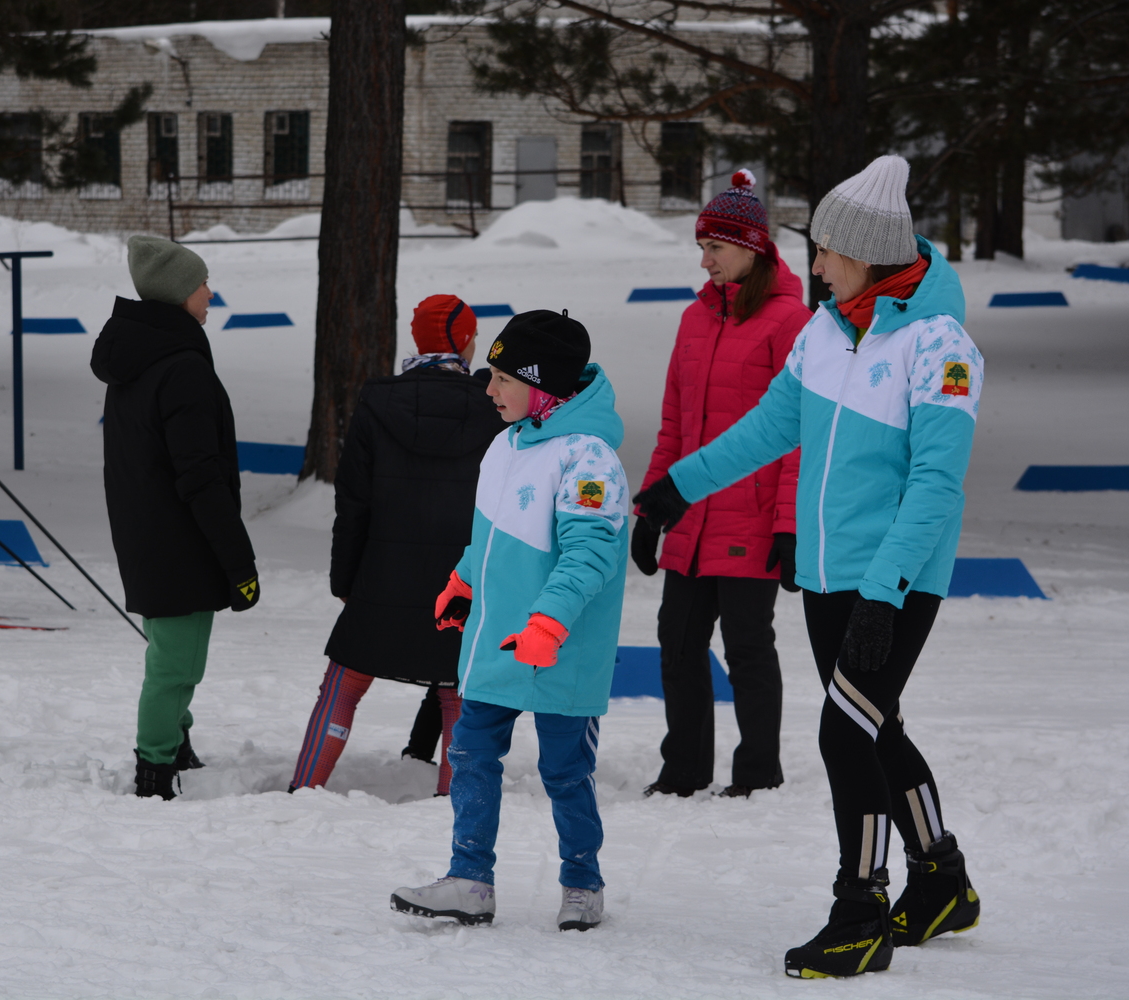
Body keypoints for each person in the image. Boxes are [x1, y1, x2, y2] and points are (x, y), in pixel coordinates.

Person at [634, 155, 983, 978]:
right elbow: (766, 432)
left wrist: (886, 593)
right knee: (875, 727)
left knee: (842, 731)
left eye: (824, 250)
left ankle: (859, 910)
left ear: (862, 252)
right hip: (829, 575)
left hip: (893, 581)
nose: (814, 265)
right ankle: (943, 879)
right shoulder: (826, 334)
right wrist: (675, 489)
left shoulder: (939, 346)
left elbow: (936, 484)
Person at [390, 309, 629, 932]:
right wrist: (465, 582)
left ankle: (583, 882)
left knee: (564, 769)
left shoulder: (589, 458)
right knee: (469, 751)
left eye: (501, 378)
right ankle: (470, 878)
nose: (488, 389)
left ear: (542, 385)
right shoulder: (505, 445)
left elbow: (590, 552)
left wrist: (549, 622)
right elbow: (490, 536)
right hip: (498, 640)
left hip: (559, 647)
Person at [632, 169, 810, 800]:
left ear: (753, 249)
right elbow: (674, 427)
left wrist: (789, 525)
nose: (704, 259)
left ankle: (758, 773)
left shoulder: (791, 323)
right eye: (702, 247)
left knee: (747, 650)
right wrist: (652, 506)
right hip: (688, 516)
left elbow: (799, 436)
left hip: (751, 520)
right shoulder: (693, 321)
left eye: (716, 247)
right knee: (677, 645)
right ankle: (684, 769)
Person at [289, 295, 506, 797]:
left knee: (343, 684)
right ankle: (452, 803)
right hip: (462, 585)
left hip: (381, 578)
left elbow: (352, 503)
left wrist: (345, 581)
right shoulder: (494, 409)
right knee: (457, 694)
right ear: (467, 341)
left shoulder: (376, 401)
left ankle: (305, 791)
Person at [90, 235, 260, 801]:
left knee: (176, 653)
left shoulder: (141, 356)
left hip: (149, 532)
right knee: (175, 664)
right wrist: (238, 559)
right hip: (179, 538)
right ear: (178, 292)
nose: (210, 293)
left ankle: (176, 740)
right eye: (201, 283)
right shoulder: (179, 367)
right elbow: (200, 476)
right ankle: (155, 767)